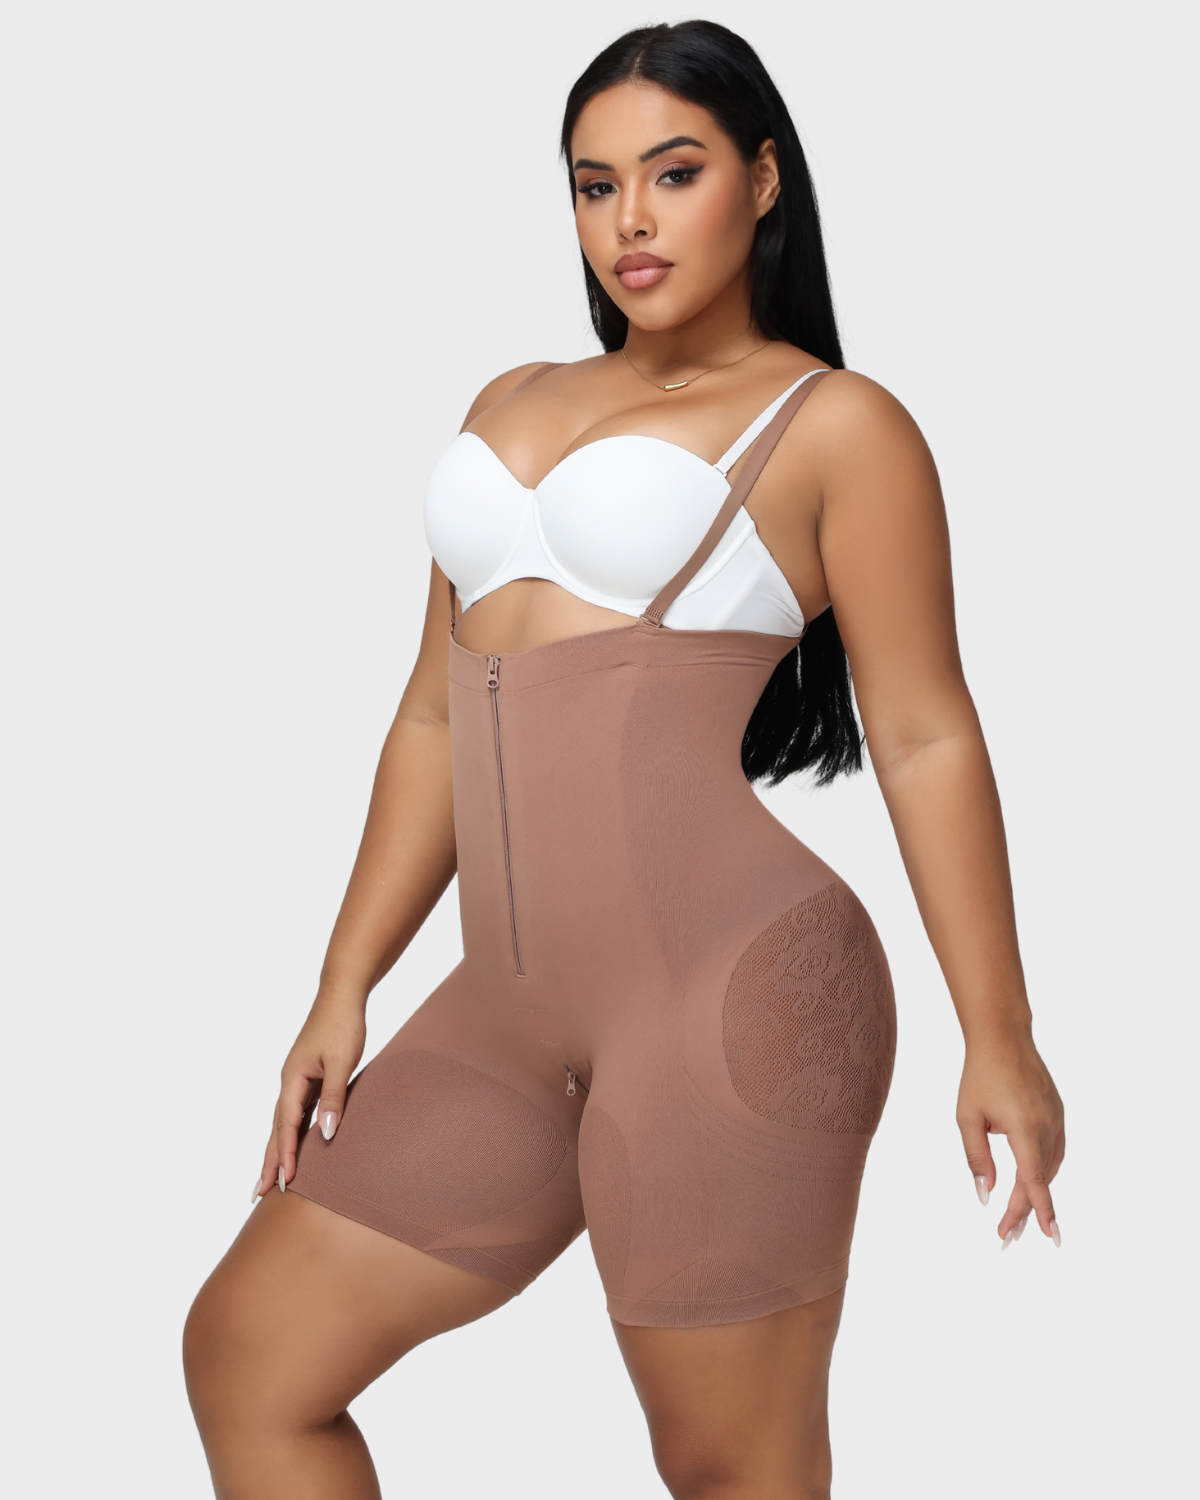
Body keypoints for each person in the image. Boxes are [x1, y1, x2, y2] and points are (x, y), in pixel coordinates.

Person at [183, 20, 1065, 1499]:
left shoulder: (838, 425)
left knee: (730, 1466)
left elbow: (925, 736)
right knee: (249, 1360)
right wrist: (345, 980)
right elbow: (431, 715)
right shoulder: (509, 402)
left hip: (732, 999)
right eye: (595, 186)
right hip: (504, 1015)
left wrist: (1003, 1032)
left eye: (674, 173)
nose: (631, 222)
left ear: (763, 180)